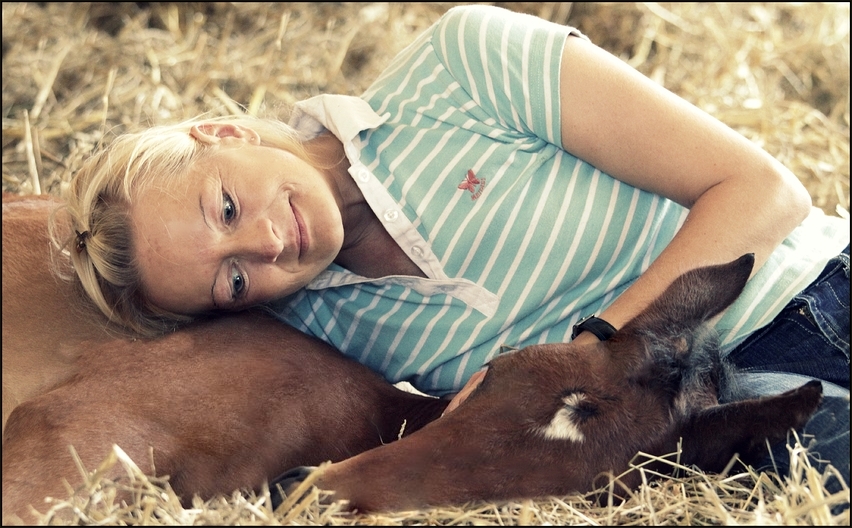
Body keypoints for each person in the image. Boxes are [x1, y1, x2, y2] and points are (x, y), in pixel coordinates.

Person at [55, 5, 849, 503]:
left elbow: (764, 192)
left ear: (220, 134)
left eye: (225, 204)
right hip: (698, 426)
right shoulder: (328, 330)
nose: (265, 243)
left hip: (802, 298)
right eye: (233, 279)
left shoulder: (461, 69)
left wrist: (590, 351)